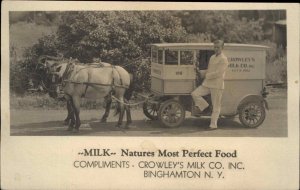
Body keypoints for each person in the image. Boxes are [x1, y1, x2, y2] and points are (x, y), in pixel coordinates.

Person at [191, 40, 229, 130]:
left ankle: (213, 125)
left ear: (222, 48)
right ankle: (205, 107)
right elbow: (210, 69)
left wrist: (207, 75)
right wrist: (201, 73)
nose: (216, 49)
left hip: (217, 85)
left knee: (216, 105)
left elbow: (219, 73)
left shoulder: (224, 59)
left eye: (218, 47)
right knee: (195, 94)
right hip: (208, 83)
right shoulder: (212, 57)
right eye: (215, 47)